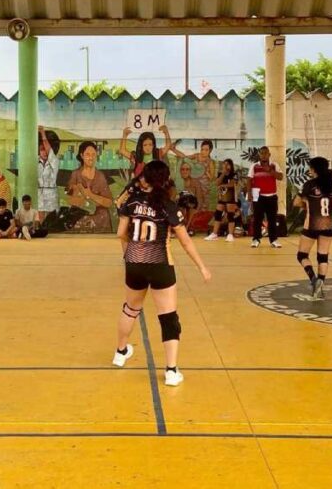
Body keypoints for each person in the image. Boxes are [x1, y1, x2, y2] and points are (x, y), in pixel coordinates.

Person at [111, 160, 212, 387]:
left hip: (134, 264)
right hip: (160, 266)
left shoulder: (132, 202)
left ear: (145, 177)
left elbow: (121, 233)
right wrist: (202, 267)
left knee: (130, 310)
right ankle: (171, 370)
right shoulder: (168, 205)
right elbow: (186, 242)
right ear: (165, 180)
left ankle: (120, 353)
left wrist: (129, 256)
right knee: (168, 318)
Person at [293, 157, 332, 299]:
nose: (309, 170)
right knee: (323, 257)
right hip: (328, 225)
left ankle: (313, 280)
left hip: (312, 224)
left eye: (310, 168)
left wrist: (307, 204)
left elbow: (296, 203)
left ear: (314, 169)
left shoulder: (309, 185)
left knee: (302, 255)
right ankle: (321, 282)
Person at [66, 141, 115, 232]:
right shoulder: (75, 174)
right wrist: (78, 192)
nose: (91, 157)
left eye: (93, 154)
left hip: (101, 220)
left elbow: (108, 202)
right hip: (80, 218)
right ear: (82, 155)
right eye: (87, 154)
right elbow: (71, 200)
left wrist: (90, 195)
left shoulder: (100, 176)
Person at [249, 146, 283, 248]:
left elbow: (280, 177)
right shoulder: (254, 166)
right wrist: (249, 194)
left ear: (269, 154)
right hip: (258, 196)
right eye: (261, 153)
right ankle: (256, 239)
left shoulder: (274, 165)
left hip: (272, 196)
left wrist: (270, 171)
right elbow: (249, 180)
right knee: (257, 219)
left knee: (272, 219)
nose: (263, 155)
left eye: (265, 153)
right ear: (259, 155)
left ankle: (273, 240)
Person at [206, 158, 240, 242]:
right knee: (218, 214)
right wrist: (223, 174)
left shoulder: (234, 174)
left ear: (231, 165)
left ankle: (230, 234)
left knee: (230, 215)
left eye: (227, 164)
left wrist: (223, 185)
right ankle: (214, 234)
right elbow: (217, 183)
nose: (225, 166)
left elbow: (232, 184)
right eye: (224, 164)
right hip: (222, 197)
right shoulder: (221, 173)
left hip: (230, 197)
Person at [38, 126, 61, 223]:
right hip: (39, 193)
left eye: (46, 149)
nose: (45, 152)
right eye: (42, 149)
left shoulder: (54, 162)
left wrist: (43, 134)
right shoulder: (35, 162)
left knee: (50, 220)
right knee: (40, 219)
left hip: (51, 193)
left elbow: (50, 151)